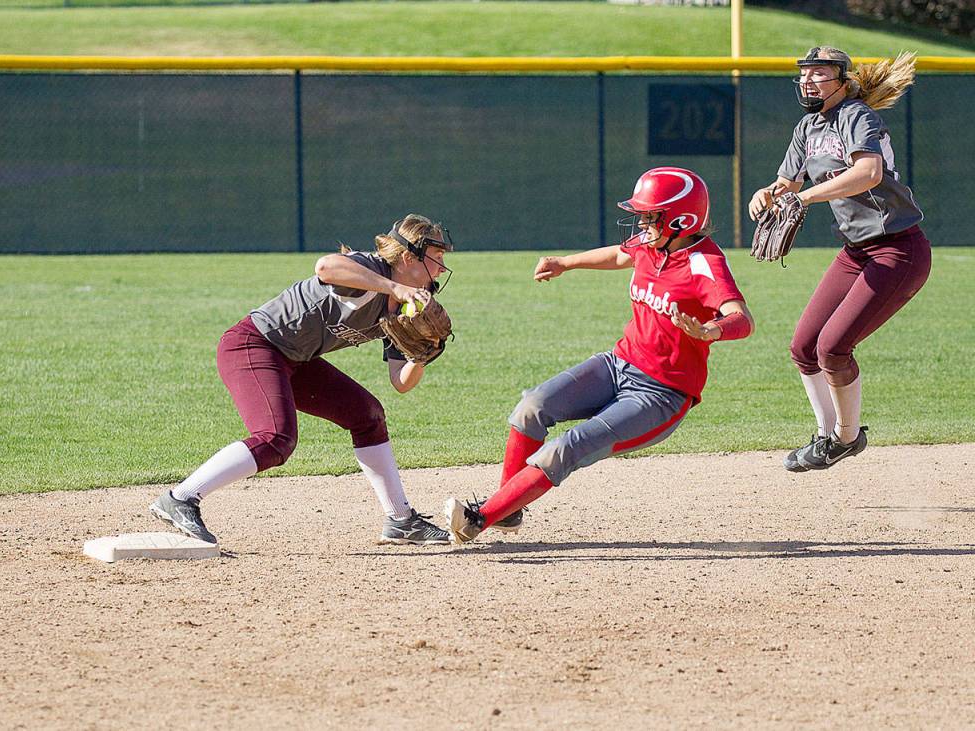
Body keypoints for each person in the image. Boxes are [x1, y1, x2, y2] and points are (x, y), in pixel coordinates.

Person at [445, 167, 754, 544]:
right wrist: (565, 263)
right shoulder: (652, 244)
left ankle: (480, 520)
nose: (642, 222)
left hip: (660, 395)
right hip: (617, 364)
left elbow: (742, 317)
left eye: (650, 214)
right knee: (532, 406)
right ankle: (507, 511)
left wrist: (710, 330)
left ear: (681, 219)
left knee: (566, 447)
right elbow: (619, 256)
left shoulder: (703, 262)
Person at [150, 214, 454, 546]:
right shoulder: (372, 271)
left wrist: (420, 357)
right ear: (408, 257)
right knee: (276, 438)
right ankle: (181, 498)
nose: (440, 269)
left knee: (367, 415)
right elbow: (325, 267)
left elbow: (401, 382)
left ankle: (401, 521)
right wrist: (394, 286)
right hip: (253, 344)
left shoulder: (401, 310)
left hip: (296, 359)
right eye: (436, 259)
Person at [748, 47, 931, 472]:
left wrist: (805, 196)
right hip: (856, 251)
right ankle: (826, 437)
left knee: (833, 348)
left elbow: (868, 173)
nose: (809, 80)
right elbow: (786, 182)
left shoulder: (857, 116)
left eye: (820, 73)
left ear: (844, 81)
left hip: (897, 249)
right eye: (805, 74)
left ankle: (847, 438)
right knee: (803, 347)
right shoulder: (807, 126)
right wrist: (769, 193)